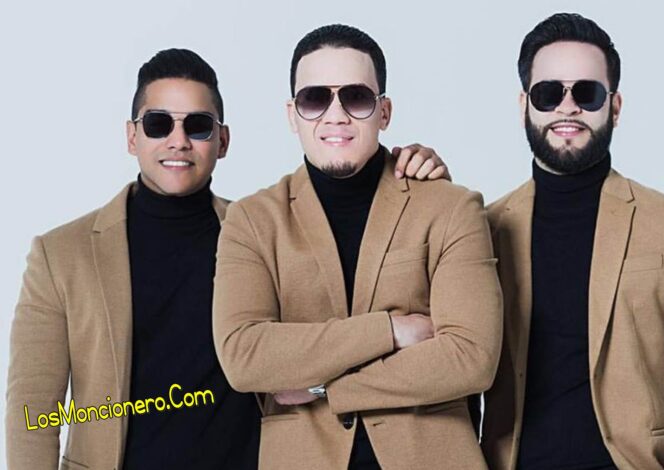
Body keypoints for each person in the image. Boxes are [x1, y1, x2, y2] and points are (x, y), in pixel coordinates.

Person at [6, 47, 448, 470]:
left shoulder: (267, 232)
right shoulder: (61, 254)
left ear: (223, 140)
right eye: (158, 124)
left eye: (198, 126)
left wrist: (417, 183)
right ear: (131, 136)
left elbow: (345, 327)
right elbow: (33, 408)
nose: (178, 141)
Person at [213, 24, 502, 469]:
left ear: (384, 112)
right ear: (292, 114)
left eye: (356, 97)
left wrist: (325, 388)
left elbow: (470, 357)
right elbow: (244, 355)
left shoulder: (450, 206)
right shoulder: (252, 221)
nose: (336, 115)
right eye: (315, 99)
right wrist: (390, 331)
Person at [481, 13, 664, 470]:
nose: (568, 108)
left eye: (586, 93)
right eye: (549, 93)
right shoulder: (484, 228)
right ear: (524, 104)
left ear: (615, 106)